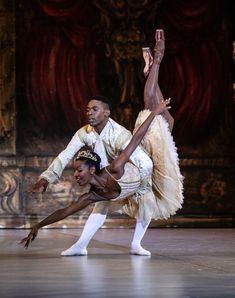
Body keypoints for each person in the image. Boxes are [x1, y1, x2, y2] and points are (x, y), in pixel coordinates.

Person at [21, 29, 183, 253]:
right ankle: (81, 245)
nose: (89, 113)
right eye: (87, 109)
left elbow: (136, 142)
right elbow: (66, 156)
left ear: (106, 113)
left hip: (143, 161)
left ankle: (156, 62)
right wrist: (46, 179)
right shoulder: (84, 134)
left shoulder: (119, 136)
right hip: (112, 178)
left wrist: (155, 114)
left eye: (94, 109)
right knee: (100, 203)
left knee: (159, 115)